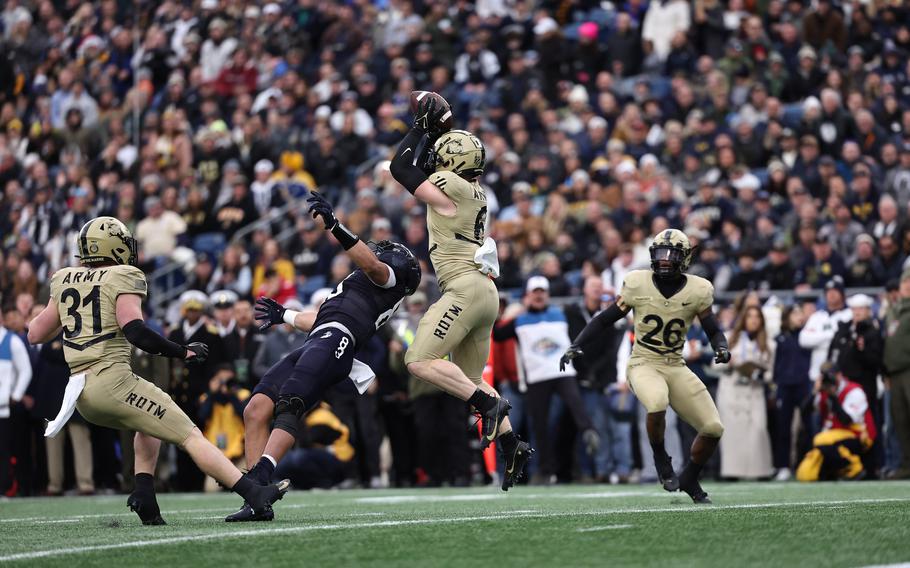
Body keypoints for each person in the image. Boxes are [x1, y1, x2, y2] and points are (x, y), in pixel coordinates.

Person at [26, 216, 288, 525]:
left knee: (150, 426)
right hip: (112, 382)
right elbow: (137, 331)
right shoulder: (123, 275)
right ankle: (253, 493)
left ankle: (144, 495)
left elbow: (34, 333)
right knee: (189, 435)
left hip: (81, 392)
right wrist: (183, 351)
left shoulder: (64, 278)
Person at [226, 193, 420, 521]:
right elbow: (318, 319)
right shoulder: (359, 284)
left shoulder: (386, 281)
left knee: (290, 401)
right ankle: (256, 500)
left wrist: (334, 225)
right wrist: (285, 315)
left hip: (338, 340)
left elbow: (372, 265)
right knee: (256, 408)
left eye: (383, 251)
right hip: (321, 336)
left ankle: (259, 478)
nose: (375, 250)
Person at [388, 93, 532, 489]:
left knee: (419, 360)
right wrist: (436, 131)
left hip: (465, 288)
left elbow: (401, 167)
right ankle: (511, 443)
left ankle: (488, 406)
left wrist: (420, 127)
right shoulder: (475, 190)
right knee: (468, 376)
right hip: (485, 293)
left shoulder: (450, 185)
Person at [561, 229, 729, 503]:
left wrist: (721, 346)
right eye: (660, 255)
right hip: (644, 362)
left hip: (675, 365)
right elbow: (606, 318)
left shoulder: (699, 289)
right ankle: (661, 457)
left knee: (713, 428)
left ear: (684, 258)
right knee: (656, 402)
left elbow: (711, 327)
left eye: (670, 256)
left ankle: (689, 476)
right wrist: (577, 343)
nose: (664, 261)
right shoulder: (638, 283)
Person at [493, 276, 598, 484]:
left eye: (542, 292)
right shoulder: (519, 321)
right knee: (539, 426)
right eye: (535, 292)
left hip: (563, 373)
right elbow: (497, 335)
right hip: (536, 378)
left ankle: (588, 432)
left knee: (576, 409)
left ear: (548, 295)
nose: (539, 295)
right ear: (528, 296)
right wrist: (509, 313)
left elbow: (580, 337)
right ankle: (545, 470)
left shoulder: (562, 314)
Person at [565, 276, 632, 482]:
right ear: (584, 290)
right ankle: (601, 469)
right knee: (598, 427)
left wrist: (617, 300)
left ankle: (622, 470)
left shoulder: (612, 316)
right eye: (592, 286)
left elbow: (623, 336)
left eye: (599, 287)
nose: (596, 290)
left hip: (611, 380)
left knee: (620, 428)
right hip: (586, 379)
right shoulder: (573, 313)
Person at [717, 305, 774, 480]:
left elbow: (771, 373)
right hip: (731, 389)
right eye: (750, 316)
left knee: (758, 430)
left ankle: (761, 471)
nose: (753, 320)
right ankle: (731, 472)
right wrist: (730, 362)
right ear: (743, 319)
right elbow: (715, 364)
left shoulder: (769, 343)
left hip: (754, 390)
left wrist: (757, 372)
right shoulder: (729, 338)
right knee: (733, 433)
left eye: (757, 316)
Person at [796, 363, 876, 481]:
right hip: (831, 441)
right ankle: (837, 470)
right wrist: (814, 392)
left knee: (820, 439)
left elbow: (846, 421)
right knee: (805, 474)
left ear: (839, 375)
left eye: (831, 375)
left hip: (857, 436)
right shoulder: (824, 391)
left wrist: (834, 397)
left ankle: (854, 466)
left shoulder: (854, 391)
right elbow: (804, 412)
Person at [771, 305, 812, 481]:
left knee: (809, 427)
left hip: (804, 385)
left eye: (800, 313)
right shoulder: (779, 338)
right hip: (785, 387)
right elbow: (775, 365)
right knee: (783, 429)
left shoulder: (807, 336)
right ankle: (784, 466)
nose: (799, 317)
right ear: (787, 317)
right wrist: (775, 387)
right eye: (795, 313)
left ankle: (810, 463)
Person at [0, 306, 32, 496]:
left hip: (4, 409)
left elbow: (25, 370)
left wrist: (16, 395)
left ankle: (6, 487)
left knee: (5, 451)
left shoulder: (11, 341)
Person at [883, 269, 910, 479]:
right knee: (899, 420)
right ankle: (906, 464)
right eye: (905, 283)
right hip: (894, 372)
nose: (908, 285)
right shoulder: (892, 310)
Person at [799, 276, 852, 383]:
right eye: (828, 292)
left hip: (841, 376)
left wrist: (818, 340)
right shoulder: (817, 316)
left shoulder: (850, 315)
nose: (831, 294)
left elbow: (846, 342)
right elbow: (803, 340)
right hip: (816, 376)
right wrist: (832, 336)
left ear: (842, 294)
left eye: (835, 291)